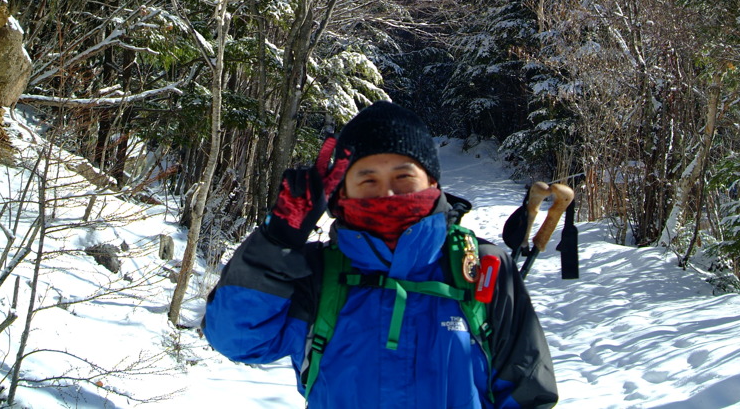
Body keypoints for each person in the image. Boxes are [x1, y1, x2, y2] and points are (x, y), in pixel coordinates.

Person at [202, 101, 558, 408]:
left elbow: (527, 391)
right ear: (342, 192)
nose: (387, 193)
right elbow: (237, 340)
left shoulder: (481, 267)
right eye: (368, 180)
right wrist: (277, 239)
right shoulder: (315, 272)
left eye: (404, 176)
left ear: (432, 182)